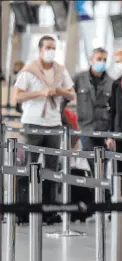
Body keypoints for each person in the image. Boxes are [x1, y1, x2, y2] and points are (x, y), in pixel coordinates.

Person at [14, 35, 75, 210]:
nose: (51, 51)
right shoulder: (29, 70)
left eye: (54, 48)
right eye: (48, 48)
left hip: (54, 124)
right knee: (30, 164)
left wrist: (59, 90)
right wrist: (41, 93)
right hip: (33, 123)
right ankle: (26, 206)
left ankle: (49, 207)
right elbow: (17, 96)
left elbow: (72, 94)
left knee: (52, 166)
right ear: (40, 50)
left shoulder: (60, 70)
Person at [73, 47, 114, 172]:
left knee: (103, 164)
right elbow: (65, 97)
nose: (101, 62)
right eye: (99, 59)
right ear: (91, 59)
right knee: (92, 162)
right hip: (86, 127)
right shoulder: (79, 78)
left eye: (104, 59)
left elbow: (114, 109)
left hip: (104, 129)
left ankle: (101, 190)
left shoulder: (111, 83)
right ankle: (95, 189)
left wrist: (111, 133)